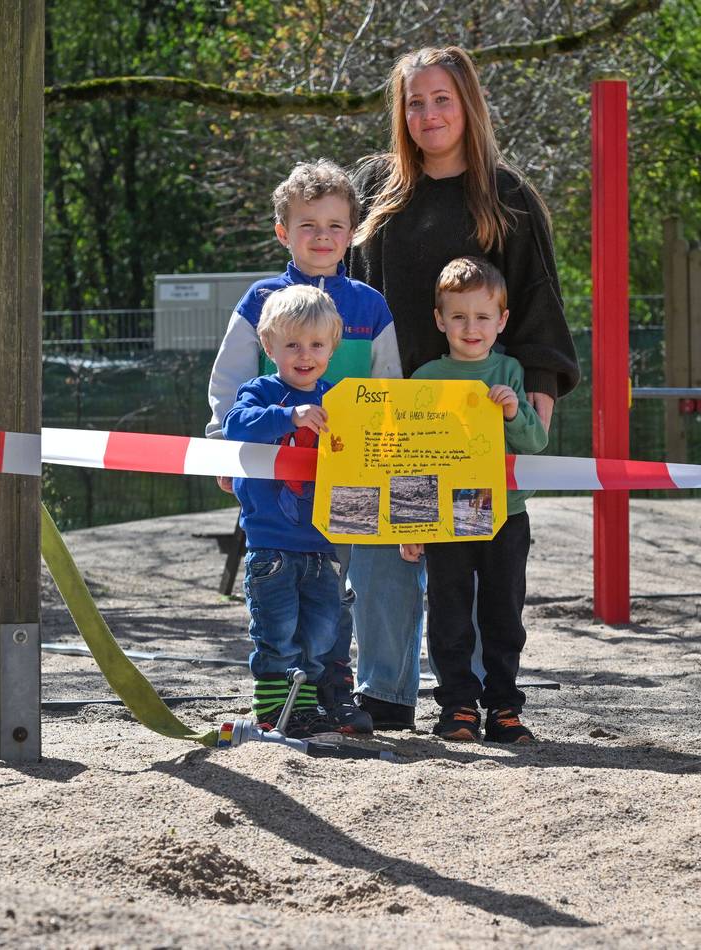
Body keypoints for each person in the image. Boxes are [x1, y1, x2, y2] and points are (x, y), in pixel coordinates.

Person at [346, 45, 579, 730]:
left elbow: (536, 307)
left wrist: (536, 403)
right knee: (383, 551)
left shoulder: (507, 197)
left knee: (469, 569)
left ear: (467, 104)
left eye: (441, 98)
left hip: (474, 422)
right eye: (414, 102)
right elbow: (337, 292)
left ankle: (471, 704)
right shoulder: (373, 188)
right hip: (387, 410)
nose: (428, 114)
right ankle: (384, 696)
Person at [207, 159, 402, 735]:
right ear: (283, 232)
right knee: (281, 593)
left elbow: (388, 386)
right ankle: (285, 699)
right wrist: (222, 447)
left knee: (333, 594)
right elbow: (229, 379)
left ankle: (332, 692)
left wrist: (386, 464)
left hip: (349, 479)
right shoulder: (260, 299)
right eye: (308, 225)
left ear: (353, 232)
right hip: (276, 487)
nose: (322, 236)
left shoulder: (370, 305)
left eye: (335, 225)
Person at [400, 257, 547, 743]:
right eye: (459, 316)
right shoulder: (424, 378)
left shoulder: (509, 370)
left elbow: (535, 443)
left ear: (502, 321)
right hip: (446, 516)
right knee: (449, 613)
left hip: (506, 513)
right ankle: (457, 705)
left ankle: (504, 707)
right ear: (440, 320)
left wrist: (513, 412)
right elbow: (409, 457)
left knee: (504, 615)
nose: (471, 327)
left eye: (483, 317)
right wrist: (411, 524)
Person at [222, 284, 347, 739]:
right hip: (271, 542)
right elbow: (236, 425)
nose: (305, 355)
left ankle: (304, 706)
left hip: (322, 543)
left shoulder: (339, 400)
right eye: (292, 344)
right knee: (277, 631)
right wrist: (290, 416)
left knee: (320, 633)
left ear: (332, 347)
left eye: (316, 344)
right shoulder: (260, 392)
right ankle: (274, 709)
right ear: (268, 345)